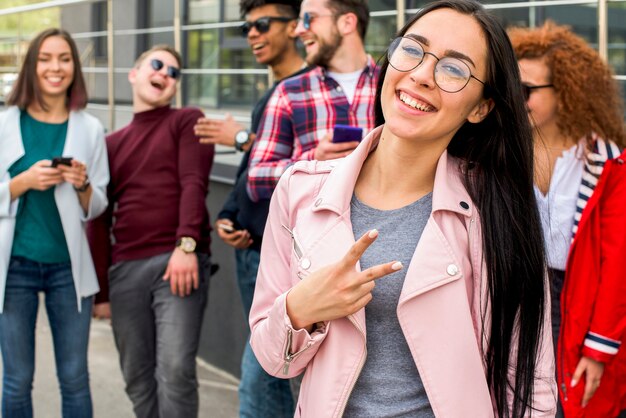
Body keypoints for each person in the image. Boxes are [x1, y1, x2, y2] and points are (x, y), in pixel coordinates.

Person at [249, 0, 557, 416]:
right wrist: (301, 307)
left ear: (481, 107)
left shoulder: (497, 208)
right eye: (413, 49)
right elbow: (273, 359)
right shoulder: (300, 190)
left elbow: (530, 378)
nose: (421, 75)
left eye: (454, 69)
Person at [87, 45, 214, 418]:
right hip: (125, 270)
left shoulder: (186, 120)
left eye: (174, 73)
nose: (165, 75)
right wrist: (101, 293)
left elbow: (194, 182)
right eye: (157, 65)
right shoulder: (108, 144)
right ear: (134, 72)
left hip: (178, 261)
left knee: (175, 370)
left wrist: (186, 245)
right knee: (136, 376)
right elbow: (98, 219)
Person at [193, 1, 307, 416]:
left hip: (282, 255)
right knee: (267, 369)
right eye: (247, 27)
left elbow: (311, 165)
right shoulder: (273, 91)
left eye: (262, 24)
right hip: (251, 247)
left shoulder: (307, 89)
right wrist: (229, 215)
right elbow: (253, 171)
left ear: (296, 26)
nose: (253, 35)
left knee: (259, 380)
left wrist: (242, 136)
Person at [509, 21, 626, 417]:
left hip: (579, 303)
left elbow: (618, 266)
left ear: (568, 92)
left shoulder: (609, 163)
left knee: (574, 405)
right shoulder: (503, 155)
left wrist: (598, 348)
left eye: (525, 90)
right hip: (519, 300)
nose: (515, 99)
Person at [0, 28, 109, 418]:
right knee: (15, 379)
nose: (55, 67)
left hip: (68, 269)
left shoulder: (90, 128)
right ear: (32, 66)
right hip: (14, 268)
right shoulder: (5, 122)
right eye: (45, 58)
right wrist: (21, 182)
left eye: (64, 58)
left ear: (73, 68)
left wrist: (81, 184)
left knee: (75, 376)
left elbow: (97, 204)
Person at [245, 0, 378, 203]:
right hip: (310, 232)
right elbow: (255, 181)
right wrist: (313, 160)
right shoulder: (288, 92)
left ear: (347, 23)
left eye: (309, 18)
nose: (299, 30)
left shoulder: (392, 85)